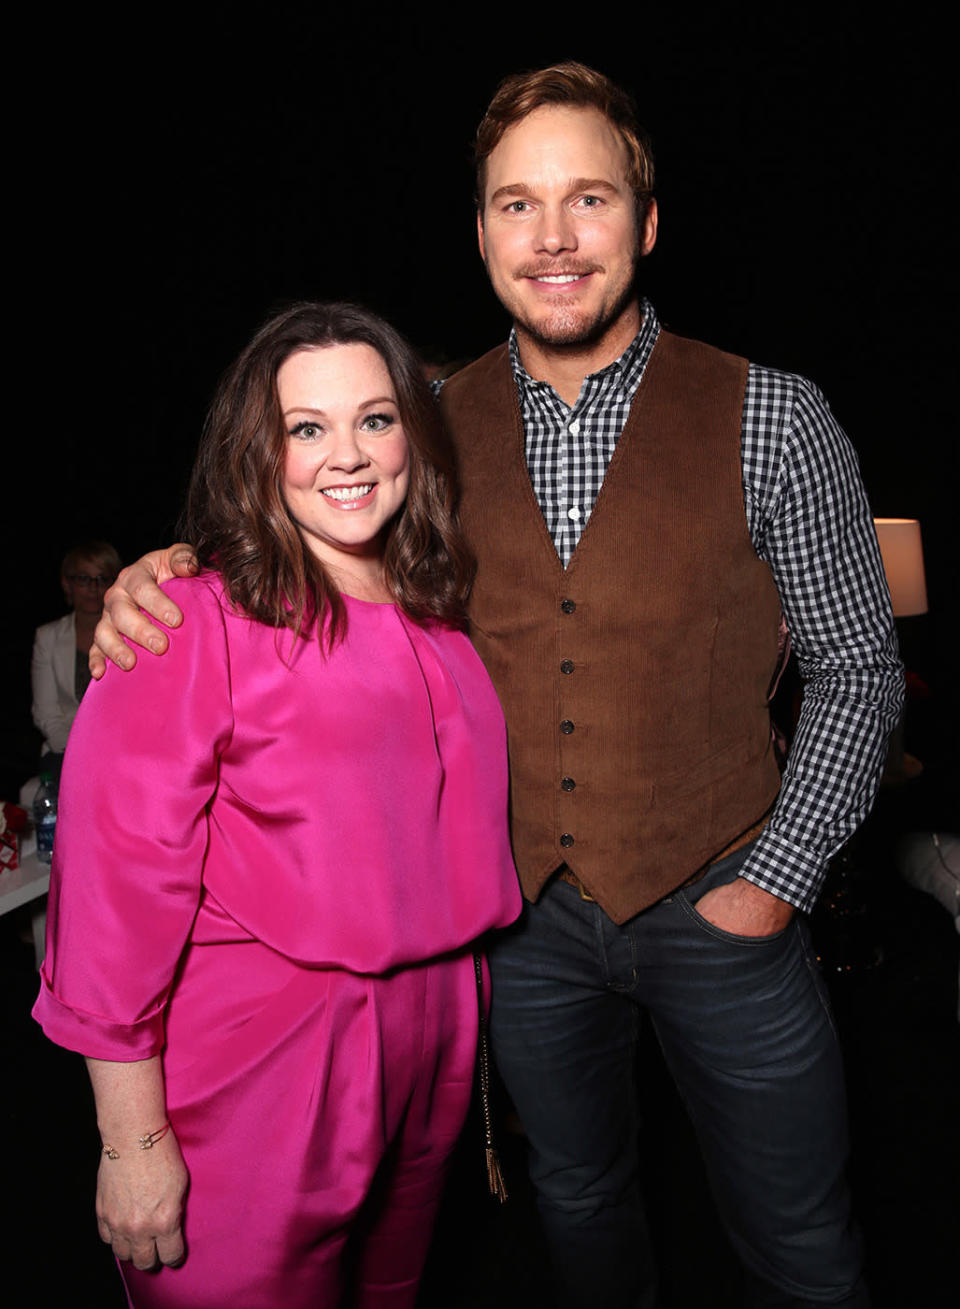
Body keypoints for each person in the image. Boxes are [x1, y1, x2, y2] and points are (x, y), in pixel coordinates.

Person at [89, 64, 904, 1309]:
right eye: (518, 205)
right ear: (480, 233)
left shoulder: (775, 416)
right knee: (577, 1205)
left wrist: (771, 886)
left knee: (799, 1239)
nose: (556, 237)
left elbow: (858, 667)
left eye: (590, 198)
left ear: (647, 218)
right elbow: (314, 513)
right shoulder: (428, 424)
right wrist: (173, 564)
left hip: (728, 907)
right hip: (519, 935)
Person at [33, 301, 521, 1309]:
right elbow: (112, 896)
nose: (346, 454)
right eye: (307, 428)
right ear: (259, 452)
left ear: (413, 437)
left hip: (437, 1031)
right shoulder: (185, 622)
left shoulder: (442, 611)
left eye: (375, 419)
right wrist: (130, 1139)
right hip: (267, 1056)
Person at [31, 539, 121, 782]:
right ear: (67, 583)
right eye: (83, 579)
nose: (93, 588)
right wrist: (79, 751)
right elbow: (46, 713)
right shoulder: (47, 637)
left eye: (102, 579)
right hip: (63, 748)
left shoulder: (128, 633)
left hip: (119, 748)